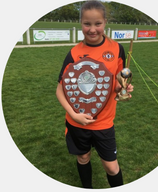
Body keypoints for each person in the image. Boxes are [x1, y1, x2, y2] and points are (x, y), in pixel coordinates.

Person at [56, 0, 134, 188]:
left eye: (97, 24)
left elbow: (116, 81)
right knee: (83, 158)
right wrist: (74, 114)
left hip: (104, 122)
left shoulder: (117, 49)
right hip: (77, 120)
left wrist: (122, 88)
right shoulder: (74, 53)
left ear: (105, 22)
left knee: (111, 167)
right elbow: (60, 89)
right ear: (81, 23)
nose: (92, 29)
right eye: (87, 24)